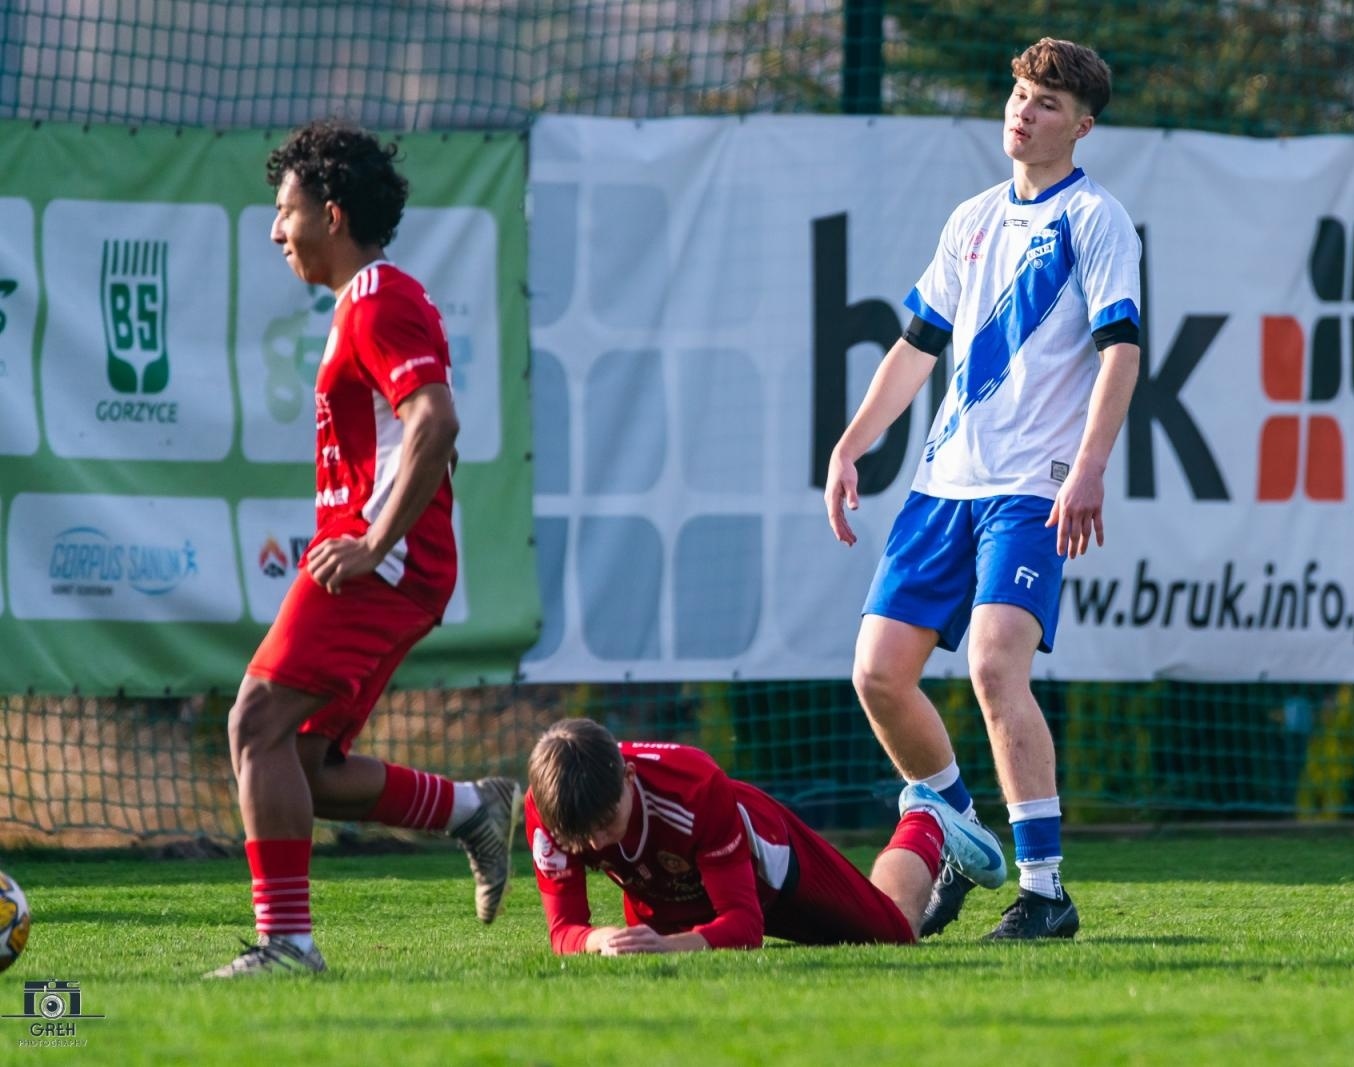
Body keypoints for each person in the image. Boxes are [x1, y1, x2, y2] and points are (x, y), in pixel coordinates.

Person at [824, 38, 1142, 940]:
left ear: (1081, 126)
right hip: (942, 485)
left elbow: (1121, 351)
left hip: (1030, 491)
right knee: (877, 674)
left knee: (995, 664)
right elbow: (916, 346)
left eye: (1045, 102)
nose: (1023, 111)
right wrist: (852, 443)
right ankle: (962, 823)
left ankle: (1044, 890)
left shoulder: (1098, 221)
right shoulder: (969, 219)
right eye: (1018, 94)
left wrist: (1086, 470)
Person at [206, 121, 519, 978]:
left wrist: (373, 536)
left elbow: (437, 421)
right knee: (305, 759)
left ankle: (287, 947)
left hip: (383, 563)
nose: (277, 231)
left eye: (286, 211)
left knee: (254, 721)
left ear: (332, 215)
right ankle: (472, 809)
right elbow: (423, 431)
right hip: (393, 562)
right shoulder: (368, 301)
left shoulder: (379, 297)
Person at [523, 717, 1006, 954]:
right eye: (579, 839)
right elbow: (564, 930)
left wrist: (671, 945)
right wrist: (598, 940)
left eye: (607, 824)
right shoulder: (550, 807)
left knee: (896, 933)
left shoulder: (694, 787)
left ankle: (927, 819)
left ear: (629, 776)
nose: (595, 846)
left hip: (768, 869)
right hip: (666, 887)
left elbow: (744, 925)